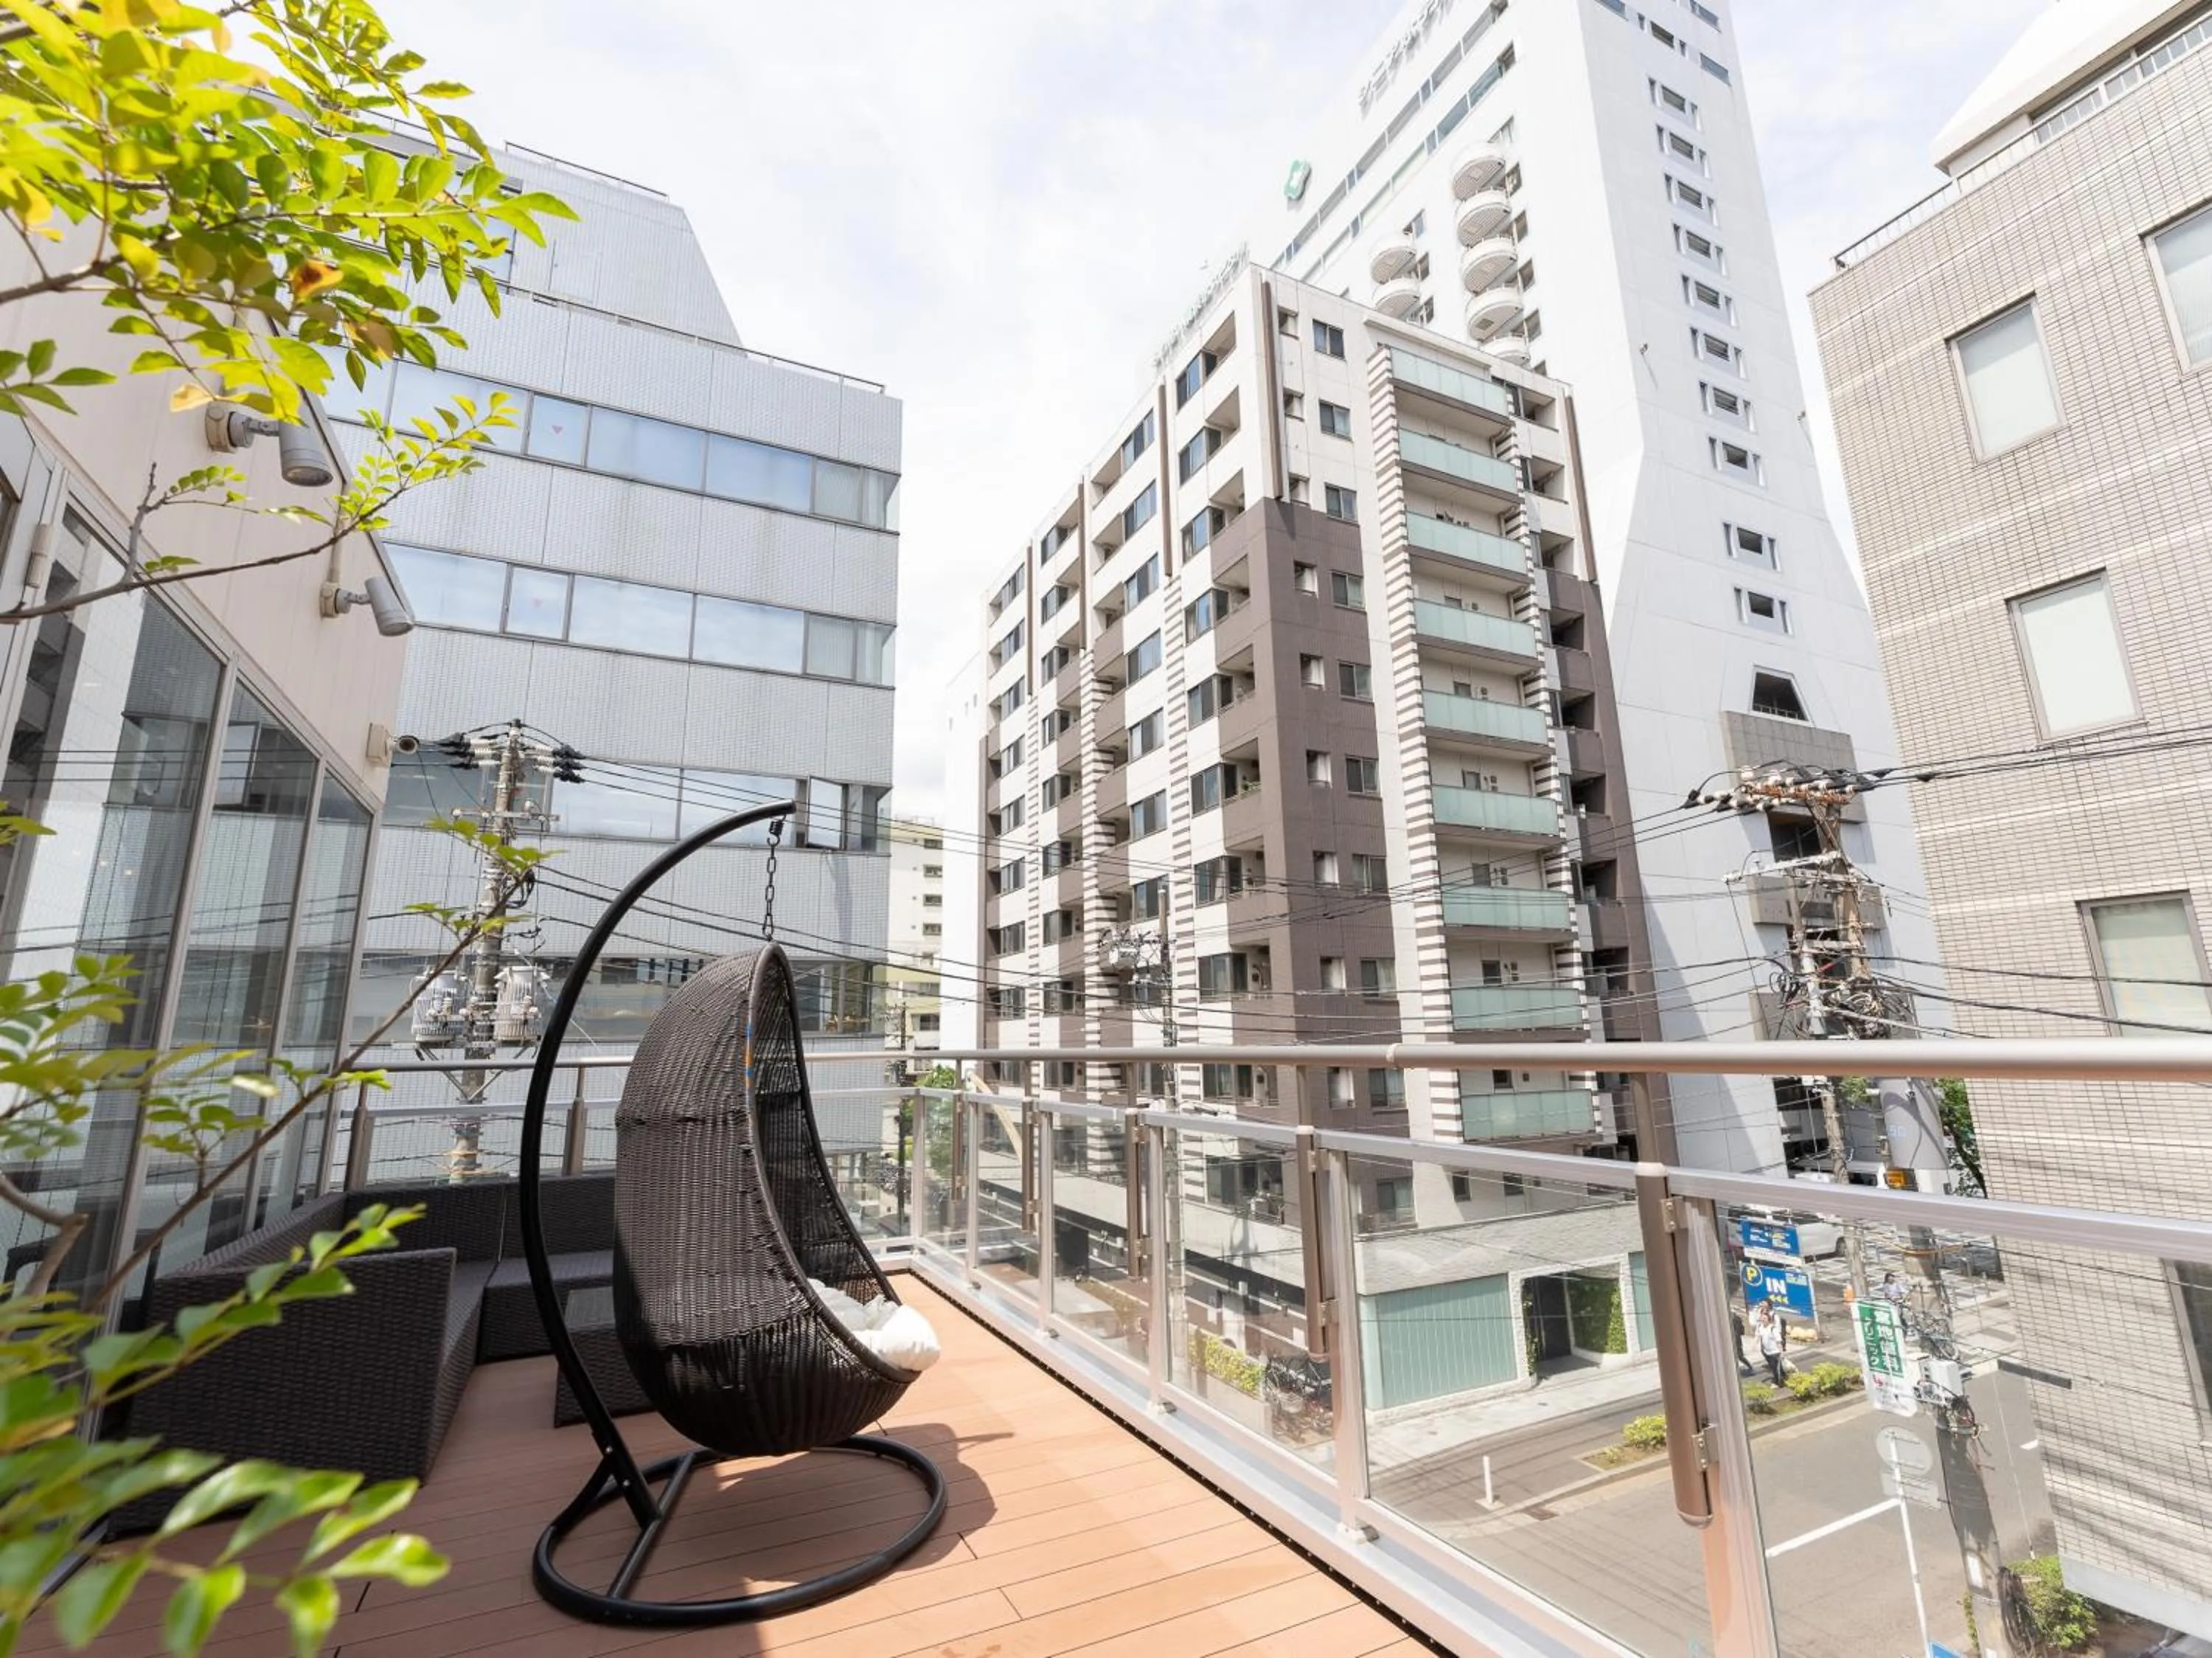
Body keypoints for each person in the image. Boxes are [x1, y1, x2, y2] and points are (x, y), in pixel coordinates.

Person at [1753, 1300, 1787, 1387]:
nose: (1762, 1320)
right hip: (1767, 1350)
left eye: (1764, 1319)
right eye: (1762, 1319)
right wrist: (1755, 1345)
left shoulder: (1773, 1327)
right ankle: (1783, 1377)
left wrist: (1781, 1352)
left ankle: (1778, 1383)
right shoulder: (1761, 1326)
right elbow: (1758, 1335)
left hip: (1775, 1351)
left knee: (1775, 1368)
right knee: (1774, 1367)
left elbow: (1778, 1340)